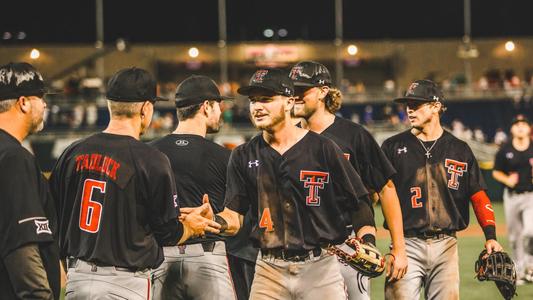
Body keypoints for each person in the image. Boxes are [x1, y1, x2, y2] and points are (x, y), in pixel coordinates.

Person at [49, 67, 220, 300]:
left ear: (110, 104)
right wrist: (191, 226)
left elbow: (53, 218)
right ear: (145, 108)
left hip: (77, 278)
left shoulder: (72, 152)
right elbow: (167, 233)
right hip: (124, 283)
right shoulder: (150, 159)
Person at [208, 68, 371, 299]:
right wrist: (212, 220)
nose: (257, 107)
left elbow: (359, 202)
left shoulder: (323, 148)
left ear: (289, 101)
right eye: (253, 100)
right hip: (268, 269)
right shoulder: (243, 155)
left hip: (320, 268)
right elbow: (234, 217)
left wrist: (368, 240)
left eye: (266, 99)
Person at [289, 60, 408, 300]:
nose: (295, 97)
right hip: (300, 248)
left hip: (348, 245)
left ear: (323, 91)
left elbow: (385, 188)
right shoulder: (287, 137)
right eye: (292, 91)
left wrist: (399, 248)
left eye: (302, 90)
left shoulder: (354, 136)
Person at [381, 79, 503, 299]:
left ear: (436, 106)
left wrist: (491, 236)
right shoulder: (392, 146)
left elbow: (478, 194)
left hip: (446, 244)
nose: (409, 109)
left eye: (416, 104)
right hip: (406, 243)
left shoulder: (459, 149)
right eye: (407, 104)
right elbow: (376, 193)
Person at [150, 75, 236, 299]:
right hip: (207, 256)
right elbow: (236, 224)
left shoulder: (149, 154)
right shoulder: (225, 157)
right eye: (218, 105)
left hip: (159, 257)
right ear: (206, 107)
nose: (220, 112)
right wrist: (211, 220)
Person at [0, 62, 60, 299]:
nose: (45, 104)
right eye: (40, 96)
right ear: (23, 102)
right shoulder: (14, 157)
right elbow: (22, 245)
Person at [493, 114, 533, 284]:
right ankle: (519, 270)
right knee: (514, 237)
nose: (521, 126)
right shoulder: (505, 149)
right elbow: (495, 171)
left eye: (524, 123)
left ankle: (530, 266)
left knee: (530, 232)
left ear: (529, 128)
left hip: (531, 196)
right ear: (512, 129)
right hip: (511, 197)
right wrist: (507, 179)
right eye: (517, 124)